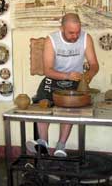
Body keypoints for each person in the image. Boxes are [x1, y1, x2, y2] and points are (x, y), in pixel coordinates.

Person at [26, 13, 99, 157]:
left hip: (75, 80)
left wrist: (88, 76)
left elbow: (94, 64)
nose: (75, 36)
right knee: (43, 104)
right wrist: (66, 75)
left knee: (69, 110)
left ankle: (61, 146)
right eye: (71, 33)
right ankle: (43, 143)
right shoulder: (51, 40)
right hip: (53, 78)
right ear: (62, 28)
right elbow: (48, 70)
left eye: (77, 32)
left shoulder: (86, 38)